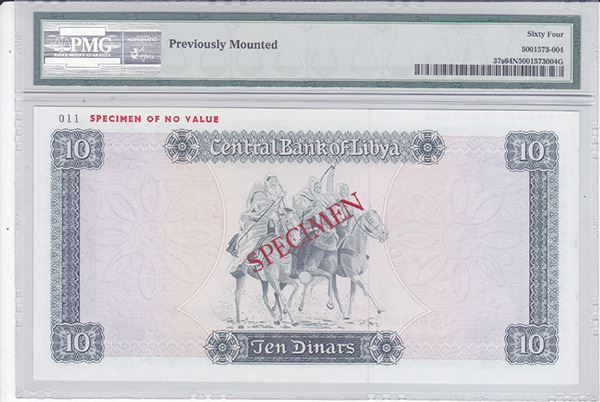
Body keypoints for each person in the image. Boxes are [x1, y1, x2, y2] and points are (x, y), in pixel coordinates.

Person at [227, 175, 285, 277]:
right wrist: (276, 201)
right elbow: (263, 209)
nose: (274, 183)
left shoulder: (275, 194)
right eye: (271, 180)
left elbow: (279, 210)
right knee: (252, 243)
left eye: (275, 181)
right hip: (256, 222)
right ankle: (236, 265)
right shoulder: (259, 194)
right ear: (266, 182)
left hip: (269, 223)